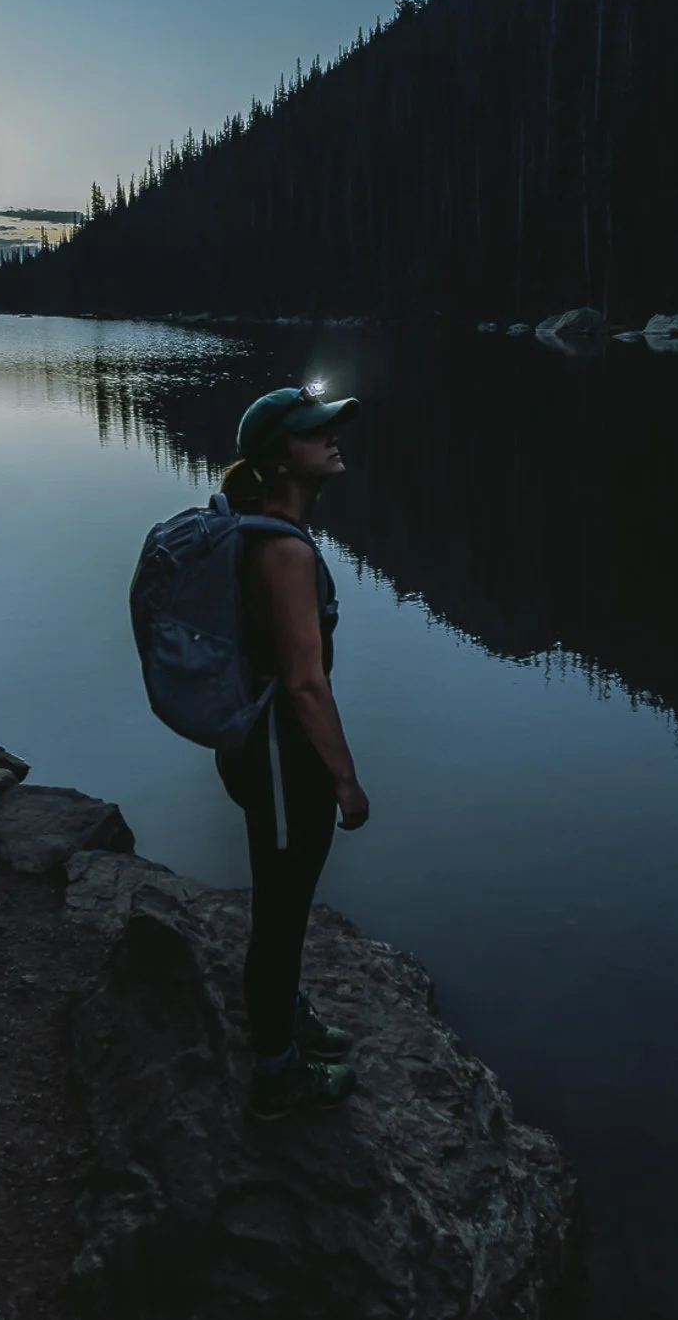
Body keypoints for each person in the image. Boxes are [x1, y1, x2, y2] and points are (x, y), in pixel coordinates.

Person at [217, 385, 372, 1119]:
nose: (335, 438)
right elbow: (306, 684)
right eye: (319, 432)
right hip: (283, 754)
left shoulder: (265, 531)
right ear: (284, 458)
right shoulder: (283, 551)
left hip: (263, 748)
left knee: (285, 900)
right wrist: (346, 781)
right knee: (281, 909)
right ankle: (277, 1071)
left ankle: (282, 1011)